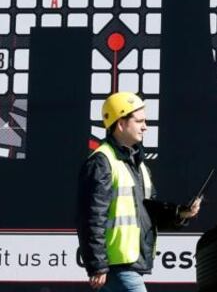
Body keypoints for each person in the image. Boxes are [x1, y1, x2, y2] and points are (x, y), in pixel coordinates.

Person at [77, 92, 202, 291]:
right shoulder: (102, 161)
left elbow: (148, 211)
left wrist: (180, 213)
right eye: (139, 121)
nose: (145, 127)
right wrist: (97, 265)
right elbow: (91, 217)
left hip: (127, 264)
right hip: (116, 265)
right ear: (120, 124)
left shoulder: (138, 164)